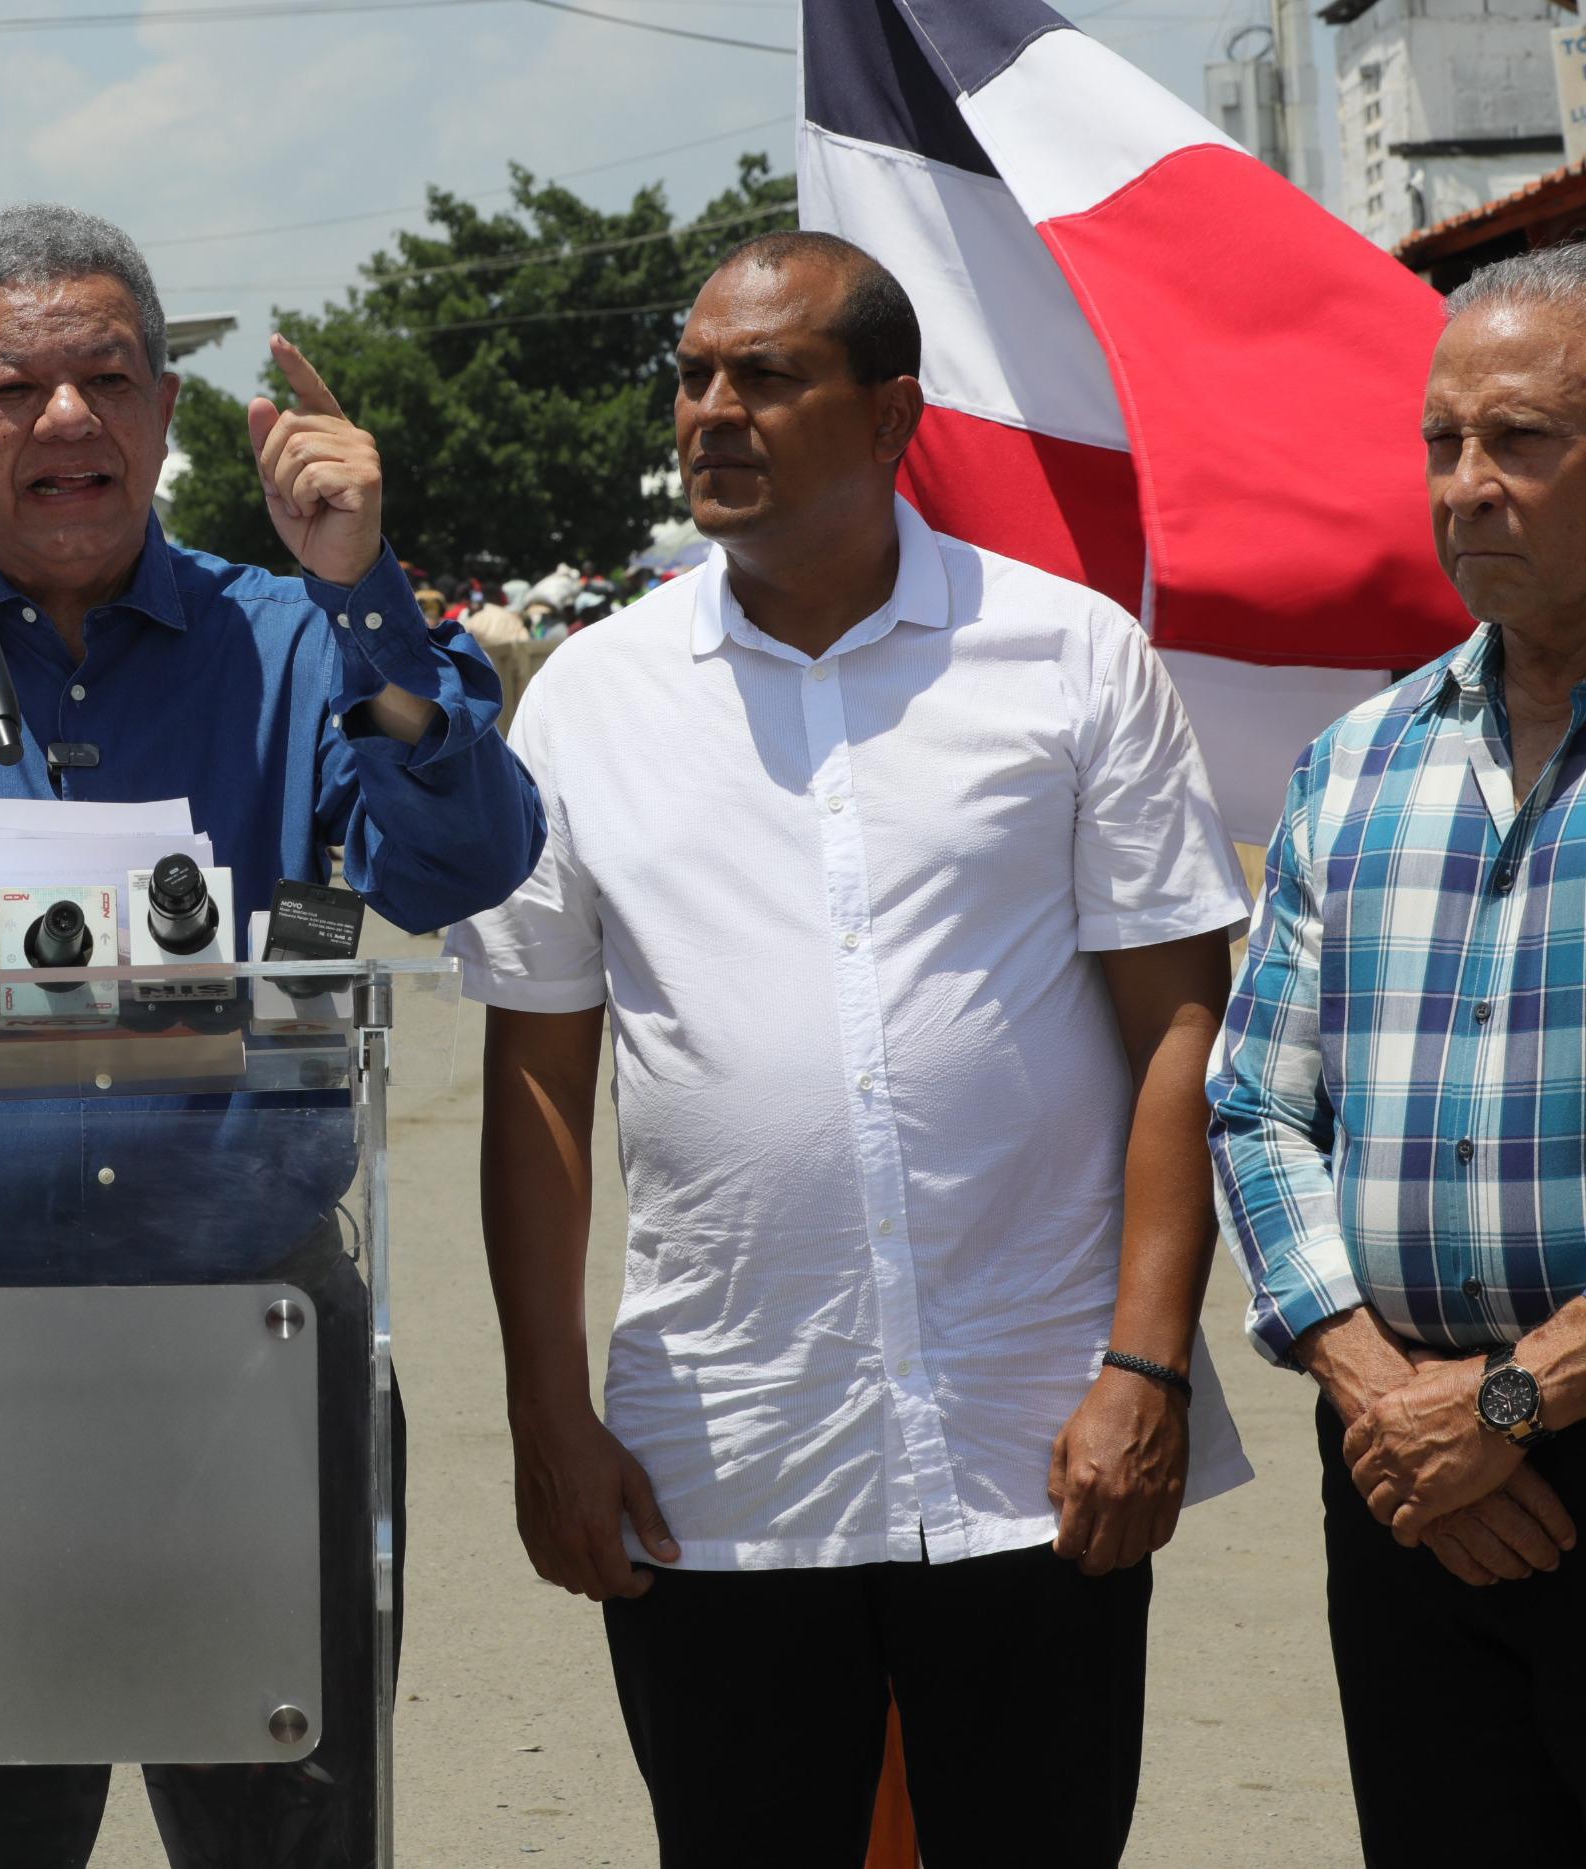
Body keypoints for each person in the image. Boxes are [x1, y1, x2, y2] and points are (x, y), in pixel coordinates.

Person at [0, 201, 542, 1869]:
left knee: (290, 1840)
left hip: (263, 1335)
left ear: (164, 414)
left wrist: (365, 600)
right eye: (15, 387)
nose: (69, 417)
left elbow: (469, 856)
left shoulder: (292, 638)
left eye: (110, 378)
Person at [440, 231, 1252, 1868]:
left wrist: (1147, 1365)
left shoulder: (1069, 656)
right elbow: (540, 1074)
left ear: (891, 418)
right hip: (721, 1467)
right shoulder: (588, 702)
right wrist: (548, 1408)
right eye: (691, 375)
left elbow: (1179, 1022)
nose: (710, 411)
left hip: (1043, 1450)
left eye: (765, 375)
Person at [1210, 243, 1586, 1861]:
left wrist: (1506, 1400)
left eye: (1524, 440)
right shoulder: (1358, 763)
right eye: (1444, 443)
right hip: (1403, 1484)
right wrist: (1388, 1397)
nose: (1471, 485)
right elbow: (1256, 1100)